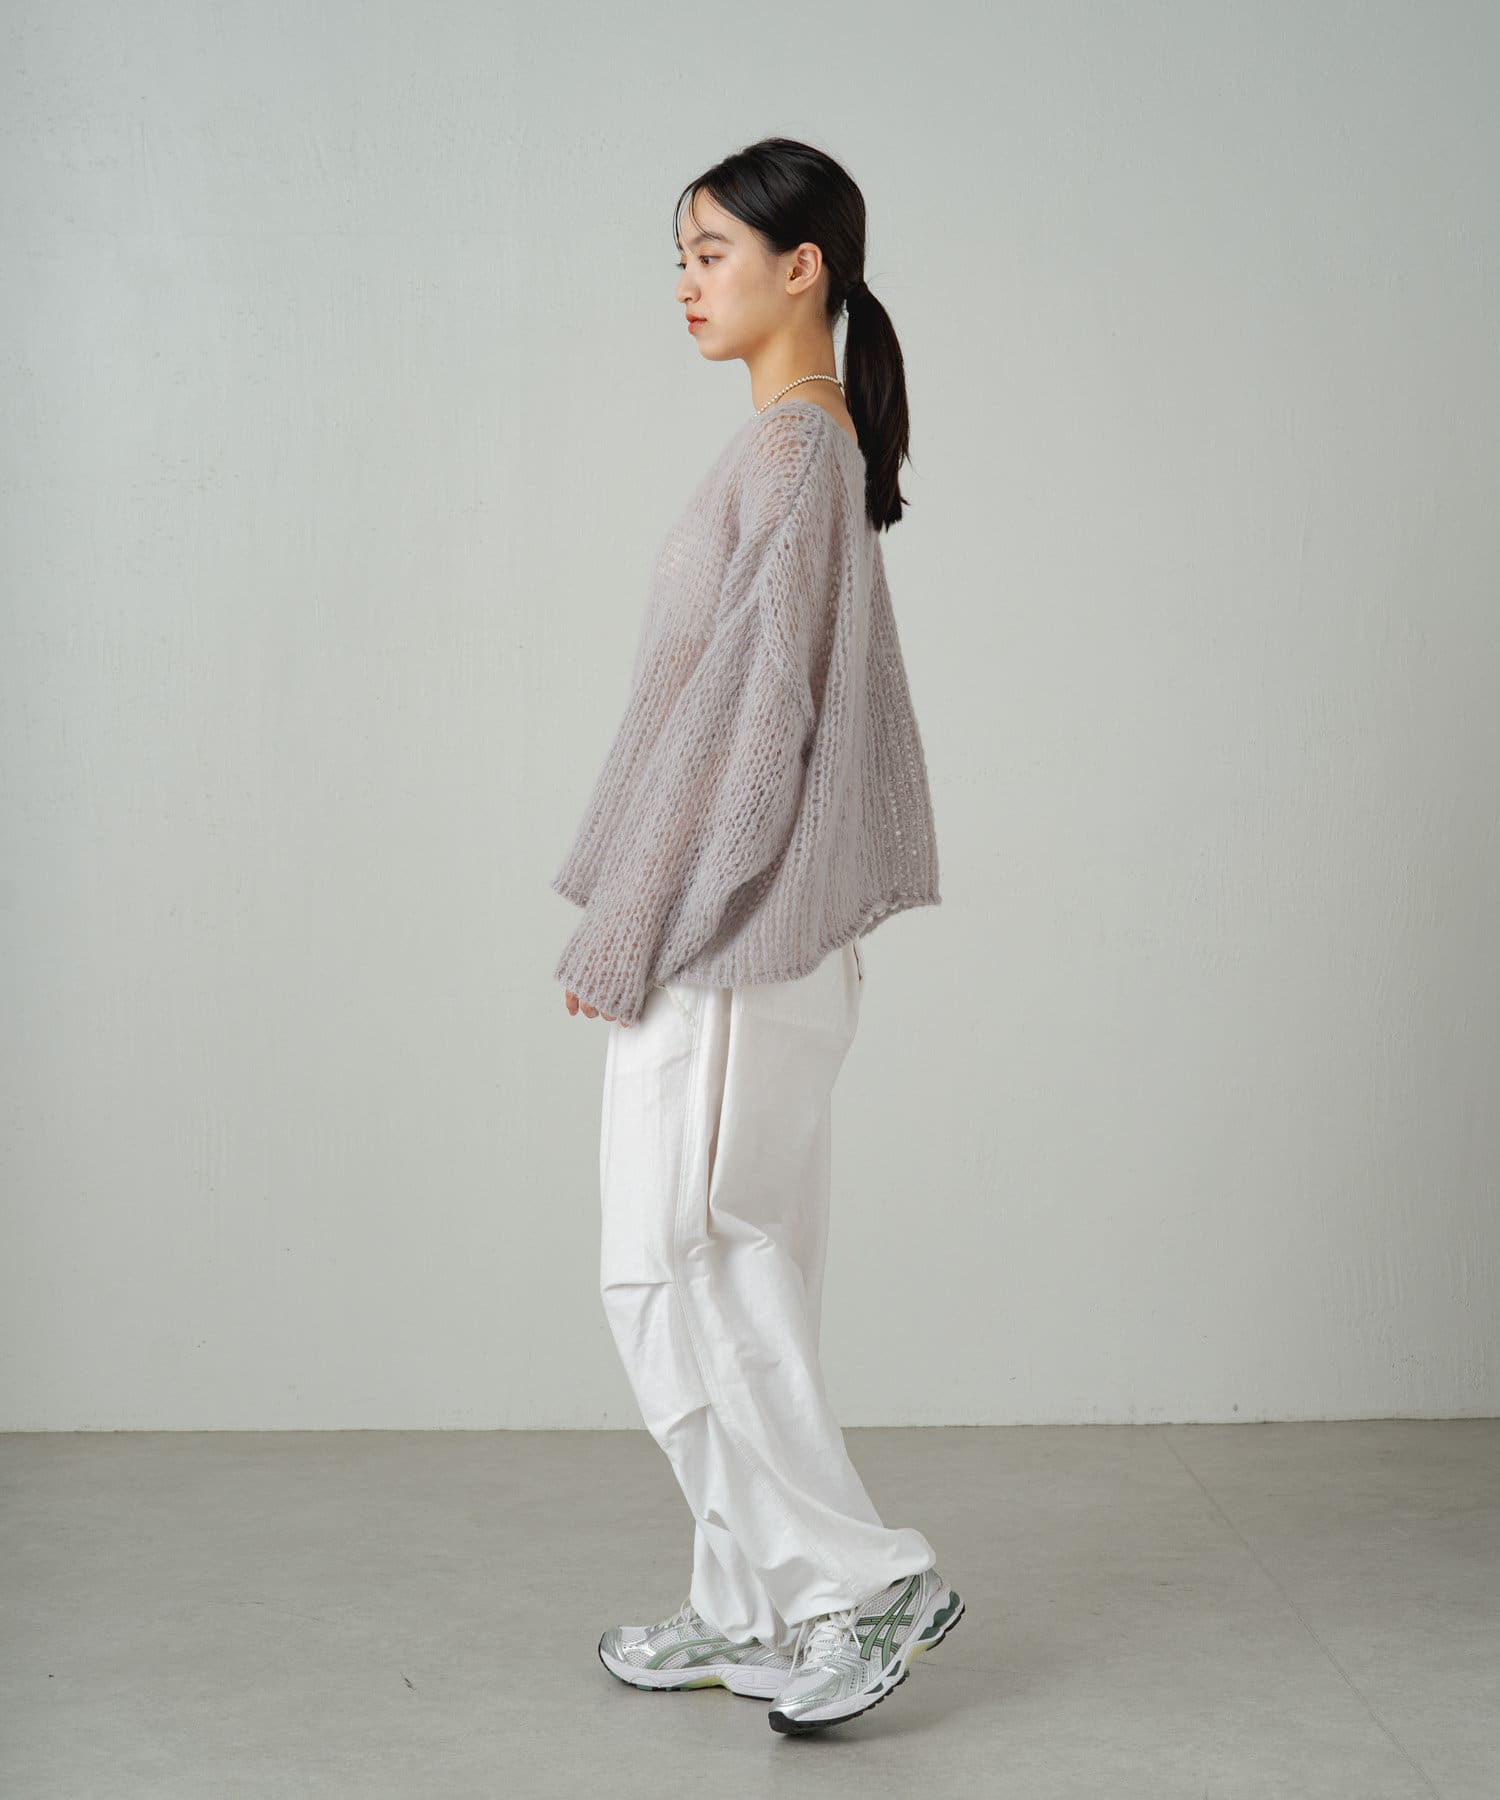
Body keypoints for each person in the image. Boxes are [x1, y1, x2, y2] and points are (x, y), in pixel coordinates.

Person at [548, 136, 963, 1735]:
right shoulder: (799, 449)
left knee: (688, 1265)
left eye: (710, 250)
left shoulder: (794, 453)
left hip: (734, 931)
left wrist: (632, 924)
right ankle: (748, 1603)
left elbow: (744, 723)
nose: (685, 280)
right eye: (681, 252)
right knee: (714, 1267)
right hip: (754, 932)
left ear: (806, 269)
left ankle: (866, 1583)